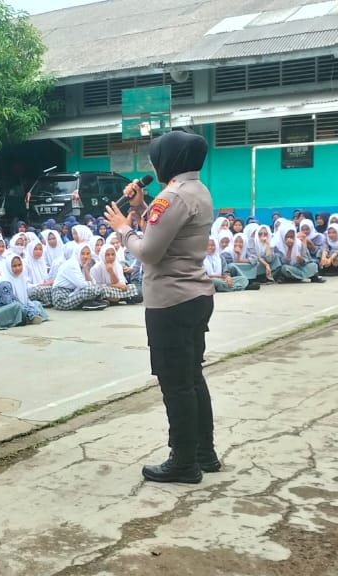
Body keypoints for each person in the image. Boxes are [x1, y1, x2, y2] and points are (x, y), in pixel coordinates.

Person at [103, 130, 219, 485]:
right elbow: (167, 232)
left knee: (176, 383)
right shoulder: (197, 190)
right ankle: (203, 452)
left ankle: (183, 461)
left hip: (170, 300)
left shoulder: (173, 197)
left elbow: (150, 251)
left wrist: (123, 229)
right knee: (192, 377)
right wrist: (140, 207)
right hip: (196, 296)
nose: (153, 164)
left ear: (169, 160)